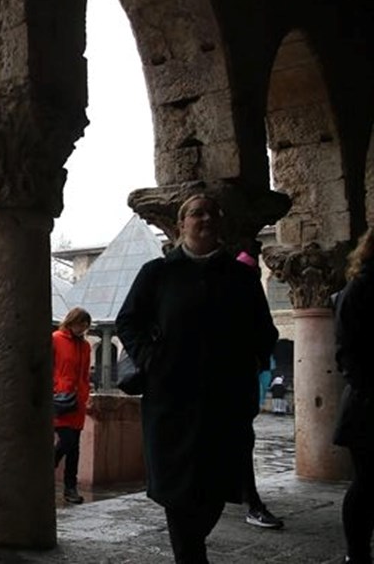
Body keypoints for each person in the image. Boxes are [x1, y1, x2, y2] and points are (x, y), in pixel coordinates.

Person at [116, 194, 278, 564]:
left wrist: (247, 363)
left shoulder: (241, 278)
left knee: (214, 490)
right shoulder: (157, 274)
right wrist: (151, 359)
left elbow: (264, 331)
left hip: (224, 403)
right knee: (178, 491)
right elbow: (129, 320)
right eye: (196, 213)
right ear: (181, 224)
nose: (205, 218)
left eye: (211, 212)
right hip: (171, 402)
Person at [234, 251, 284, 529]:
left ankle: (250, 501)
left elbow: (267, 335)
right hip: (219, 387)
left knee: (241, 442)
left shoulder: (246, 299)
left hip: (238, 386)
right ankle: (249, 501)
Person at [333, 229, 373, 564]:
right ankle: (357, 553)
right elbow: (347, 354)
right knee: (366, 484)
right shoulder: (359, 289)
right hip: (368, 406)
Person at [53, 306, 93, 506]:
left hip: (77, 401)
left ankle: (71, 487)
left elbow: (85, 373)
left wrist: (84, 393)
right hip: (60, 399)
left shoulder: (85, 346)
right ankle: (51, 464)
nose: (83, 329)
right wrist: (54, 389)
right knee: (67, 441)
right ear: (72, 321)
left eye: (85, 326)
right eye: (80, 324)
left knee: (74, 446)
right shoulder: (56, 339)